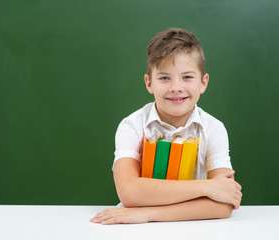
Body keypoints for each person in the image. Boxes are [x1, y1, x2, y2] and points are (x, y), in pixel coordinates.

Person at [90, 28, 242, 225]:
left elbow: (222, 206)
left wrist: (145, 214)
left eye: (187, 77)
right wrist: (208, 187)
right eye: (164, 78)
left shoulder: (214, 129)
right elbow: (128, 192)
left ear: (203, 82)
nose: (176, 87)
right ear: (149, 83)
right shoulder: (132, 126)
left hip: (199, 229)